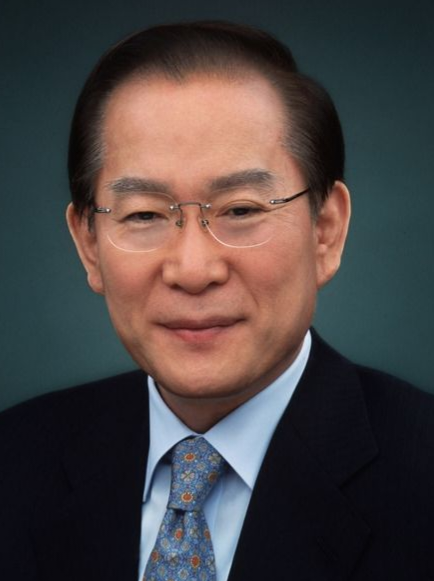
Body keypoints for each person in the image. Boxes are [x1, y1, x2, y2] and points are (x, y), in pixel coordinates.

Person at [1, 20, 433, 581]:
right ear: (88, 245)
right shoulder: (15, 462)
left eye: (241, 209)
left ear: (325, 231)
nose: (193, 270)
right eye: (144, 215)